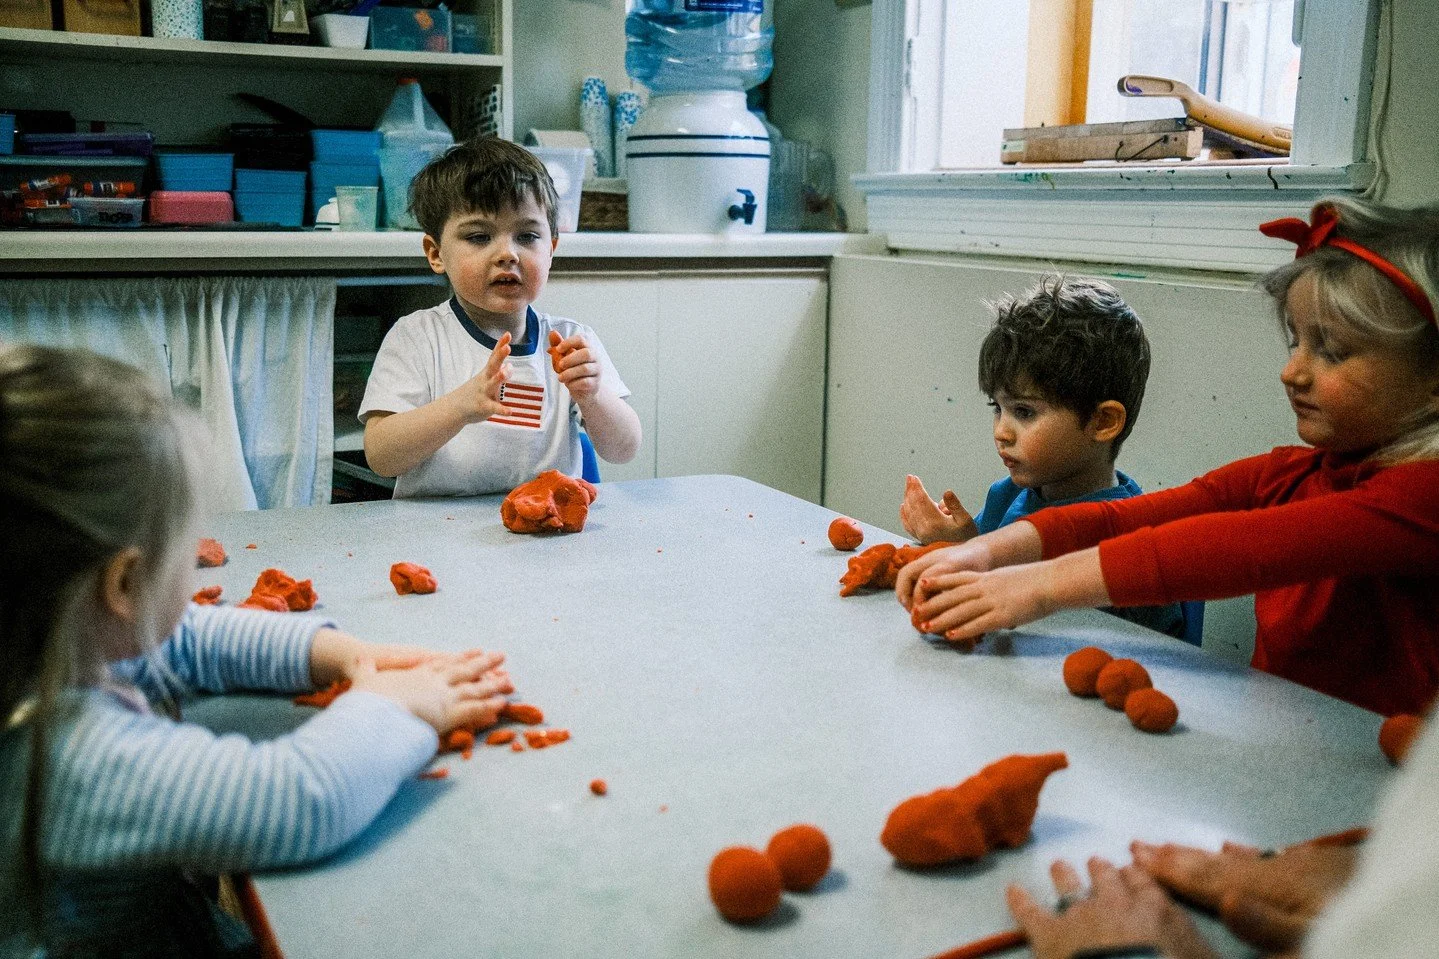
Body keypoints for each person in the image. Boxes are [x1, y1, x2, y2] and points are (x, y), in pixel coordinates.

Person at [0, 344, 514, 956]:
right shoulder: (68, 757)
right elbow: (296, 797)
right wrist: (397, 706)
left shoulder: (50, 646)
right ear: (125, 586)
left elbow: (189, 640)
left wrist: (338, 654)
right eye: (183, 553)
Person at [899, 197, 1439, 717]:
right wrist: (984, 554)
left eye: (1332, 351)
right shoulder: (1287, 473)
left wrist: (1033, 586)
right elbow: (1126, 519)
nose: (1291, 372)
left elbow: (1234, 548)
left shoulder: (1424, 497)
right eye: (1294, 343)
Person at [900, 274, 1185, 639]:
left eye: (1024, 412)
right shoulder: (1005, 495)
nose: (1001, 431)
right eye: (997, 408)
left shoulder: (1134, 538)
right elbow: (988, 577)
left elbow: (1152, 652)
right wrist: (960, 541)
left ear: (1103, 421)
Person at [360, 137, 641, 498]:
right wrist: (460, 406)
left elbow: (624, 450)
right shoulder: (417, 337)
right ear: (435, 254)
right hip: (435, 537)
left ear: (551, 249)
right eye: (479, 236)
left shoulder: (573, 342)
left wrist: (593, 396)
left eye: (527, 236)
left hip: (544, 535)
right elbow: (381, 456)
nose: (508, 253)